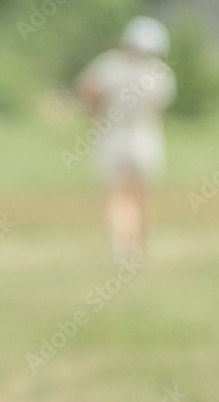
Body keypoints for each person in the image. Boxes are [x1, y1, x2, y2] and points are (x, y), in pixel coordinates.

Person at [75, 16, 176, 263]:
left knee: (118, 195)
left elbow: (87, 88)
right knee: (141, 195)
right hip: (146, 137)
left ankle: (124, 249)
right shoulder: (161, 74)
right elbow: (163, 106)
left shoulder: (110, 66)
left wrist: (95, 114)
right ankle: (138, 246)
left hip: (113, 136)